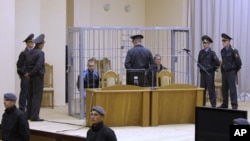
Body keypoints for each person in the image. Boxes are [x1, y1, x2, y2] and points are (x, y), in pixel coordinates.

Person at [218, 33, 242, 110]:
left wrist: (234, 70)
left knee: (232, 89)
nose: (223, 42)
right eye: (222, 41)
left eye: (224, 41)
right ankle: (225, 104)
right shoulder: (222, 51)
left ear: (229, 41)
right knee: (224, 89)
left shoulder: (234, 51)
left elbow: (239, 63)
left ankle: (234, 105)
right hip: (224, 72)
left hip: (231, 72)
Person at [25, 34, 46, 121]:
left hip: (30, 77)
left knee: (30, 96)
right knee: (37, 96)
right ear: (40, 44)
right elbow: (38, 66)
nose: (43, 45)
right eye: (43, 44)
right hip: (37, 76)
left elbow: (26, 64)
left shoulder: (30, 52)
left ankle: (28, 115)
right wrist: (31, 73)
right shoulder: (40, 53)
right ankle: (34, 116)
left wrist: (28, 74)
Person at [198, 35, 220, 107]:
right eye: (203, 43)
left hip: (209, 74)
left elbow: (217, 63)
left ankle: (213, 105)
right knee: (202, 89)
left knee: (211, 90)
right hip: (203, 74)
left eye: (206, 43)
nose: (204, 44)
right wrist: (200, 66)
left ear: (209, 44)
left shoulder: (212, 53)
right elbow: (199, 62)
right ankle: (202, 104)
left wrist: (211, 68)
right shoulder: (201, 52)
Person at [16, 33, 34, 112]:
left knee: (30, 94)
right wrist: (24, 74)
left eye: (32, 42)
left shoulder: (33, 52)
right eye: (30, 42)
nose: (32, 44)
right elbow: (19, 65)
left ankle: (28, 110)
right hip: (25, 77)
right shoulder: (23, 53)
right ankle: (22, 110)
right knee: (24, 93)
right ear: (27, 43)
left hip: (31, 76)